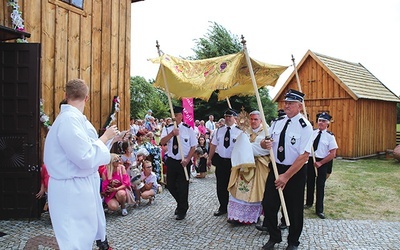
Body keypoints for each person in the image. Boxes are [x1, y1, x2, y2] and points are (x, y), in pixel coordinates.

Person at [44, 78, 119, 250]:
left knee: (82, 237)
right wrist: (105, 137)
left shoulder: (74, 119)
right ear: (87, 98)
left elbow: (88, 148)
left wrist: (107, 140)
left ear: (65, 95)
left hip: (78, 184)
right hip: (71, 188)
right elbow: (85, 156)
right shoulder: (69, 120)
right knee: (74, 240)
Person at [259, 89, 313, 250]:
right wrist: (265, 144)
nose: (287, 105)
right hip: (276, 168)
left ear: (300, 106)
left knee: (293, 209)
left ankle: (293, 242)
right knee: (268, 204)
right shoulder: (277, 122)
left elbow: (304, 156)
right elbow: (266, 142)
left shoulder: (305, 127)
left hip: (294, 171)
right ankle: (274, 237)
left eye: (291, 103)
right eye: (286, 102)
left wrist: (286, 176)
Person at [227, 110, 270, 225]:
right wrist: (246, 147)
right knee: (239, 189)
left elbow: (262, 149)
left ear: (261, 120)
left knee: (258, 191)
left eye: (256, 119)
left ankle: (254, 216)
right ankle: (237, 216)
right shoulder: (245, 130)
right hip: (244, 165)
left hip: (259, 165)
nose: (253, 121)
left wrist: (246, 147)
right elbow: (238, 145)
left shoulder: (266, 131)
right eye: (251, 119)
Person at [160, 106, 197, 220]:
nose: (174, 117)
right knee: (170, 185)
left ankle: (182, 210)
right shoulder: (167, 128)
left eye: (176, 115)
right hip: (172, 160)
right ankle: (181, 203)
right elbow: (162, 142)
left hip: (184, 161)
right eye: (172, 115)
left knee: (183, 187)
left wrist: (187, 159)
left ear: (181, 116)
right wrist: (171, 134)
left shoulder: (188, 129)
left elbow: (193, 146)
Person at [207, 109, 242, 216]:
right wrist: (209, 158)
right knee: (221, 185)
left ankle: (234, 208)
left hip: (234, 162)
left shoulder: (240, 131)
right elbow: (213, 145)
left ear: (235, 118)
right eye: (226, 116)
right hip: (221, 161)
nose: (227, 118)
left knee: (234, 185)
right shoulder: (219, 130)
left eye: (229, 117)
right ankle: (223, 207)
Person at [304, 112, 338, 219]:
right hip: (311, 160)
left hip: (322, 162)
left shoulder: (330, 137)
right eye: (319, 121)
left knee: (320, 185)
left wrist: (321, 163)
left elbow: (333, 153)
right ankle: (309, 202)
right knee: (309, 182)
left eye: (323, 121)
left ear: (328, 123)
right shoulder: (312, 133)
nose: (321, 123)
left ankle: (319, 209)